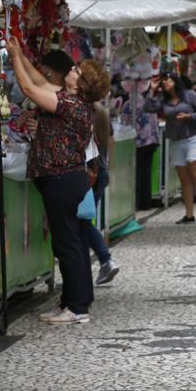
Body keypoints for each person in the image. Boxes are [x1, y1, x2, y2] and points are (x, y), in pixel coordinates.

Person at [5, 38, 111, 325]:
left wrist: (15, 56)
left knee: (67, 246)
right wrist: (21, 54)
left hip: (61, 180)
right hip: (66, 180)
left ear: (81, 82)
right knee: (72, 243)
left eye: (77, 70)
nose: (72, 70)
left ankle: (77, 308)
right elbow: (39, 80)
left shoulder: (70, 104)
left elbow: (29, 88)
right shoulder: (72, 99)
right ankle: (74, 301)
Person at [144, 71, 196, 225]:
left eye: (167, 80)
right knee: (184, 178)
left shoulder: (189, 95)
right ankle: (189, 214)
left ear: (175, 81)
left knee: (195, 174)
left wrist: (190, 117)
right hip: (175, 140)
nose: (165, 83)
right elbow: (148, 108)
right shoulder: (163, 99)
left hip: (192, 137)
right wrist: (152, 90)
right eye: (163, 81)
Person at [89, 101, 120, 285]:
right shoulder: (101, 111)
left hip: (89, 174)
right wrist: (107, 166)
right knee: (83, 222)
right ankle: (103, 261)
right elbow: (111, 140)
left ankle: (105, 259)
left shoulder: (87, 111)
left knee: (82, 222)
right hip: (99, 172)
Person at [126, 76, 161, 210]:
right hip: (151, 140)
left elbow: (125, 121)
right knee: (146, 172)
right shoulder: (148, 101)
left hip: (139, 141)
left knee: (137, 172)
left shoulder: (130, 104)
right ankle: (145, 203)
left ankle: (136, 203)